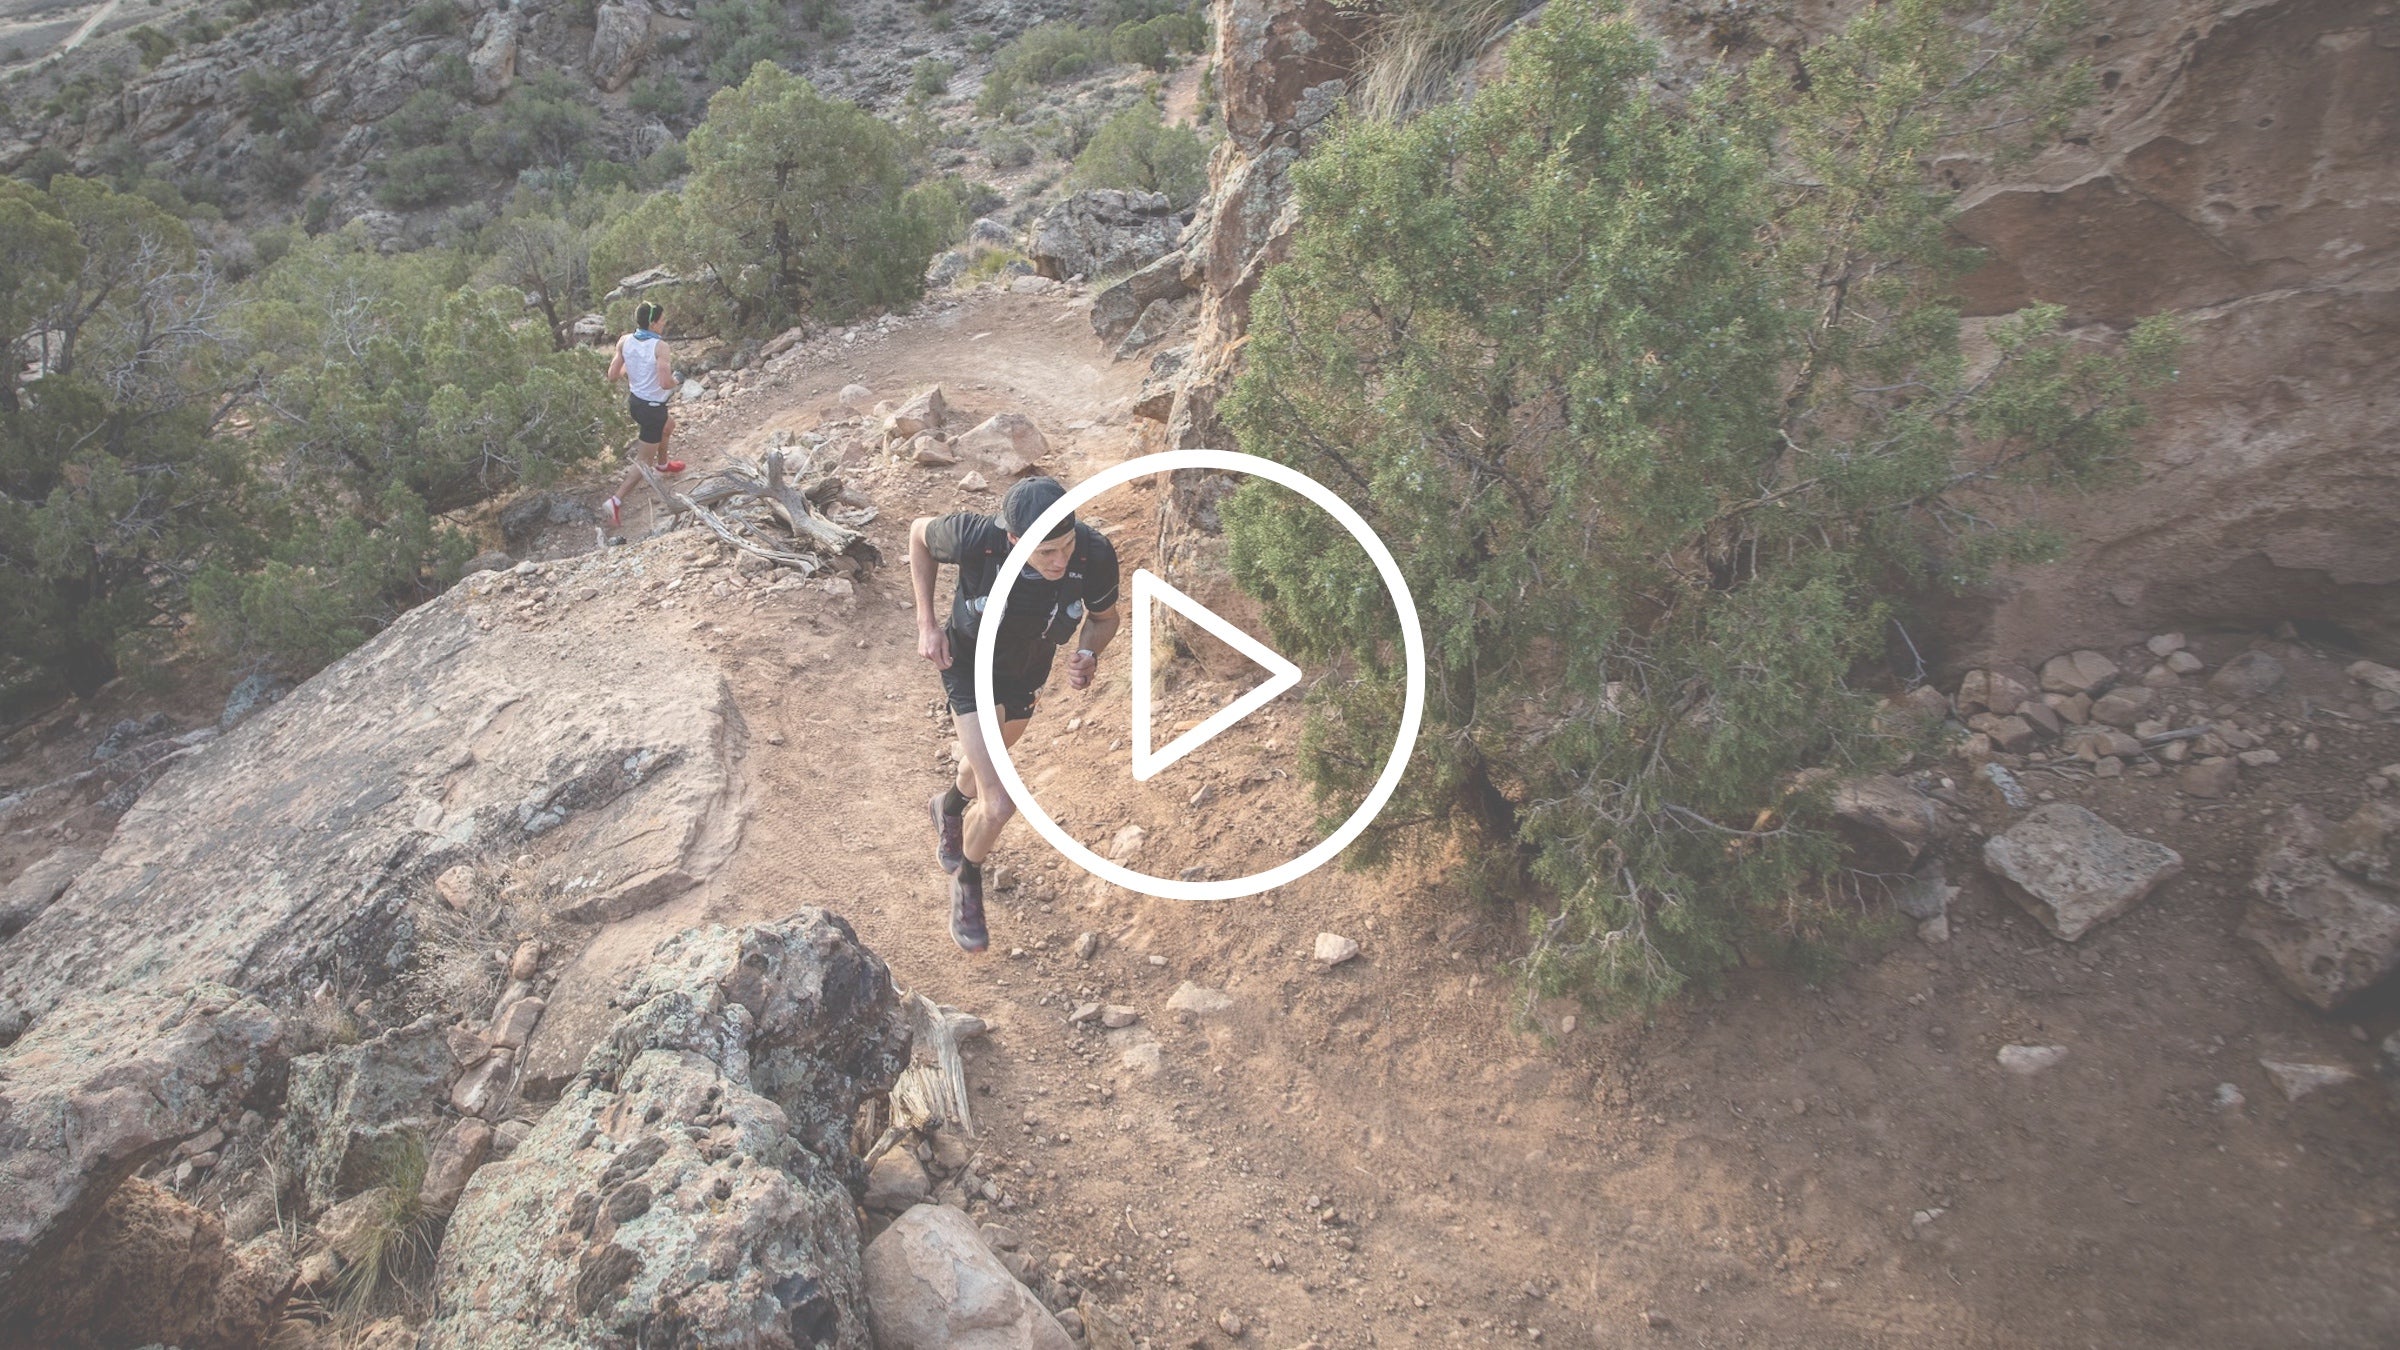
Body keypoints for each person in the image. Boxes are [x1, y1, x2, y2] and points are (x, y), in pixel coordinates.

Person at [911, 476, 1121, 953]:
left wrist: (1089, 653)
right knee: (1000, 800)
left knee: (983, 759)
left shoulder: (1094, 553)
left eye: (1065, 545)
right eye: (1046, 552)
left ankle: (945, 808)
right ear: (1013, 539)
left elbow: (1104, 619)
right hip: (967, 667)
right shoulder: (976, 538)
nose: (1060, 560)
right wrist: (926, 624)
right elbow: (919, 533)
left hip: (1026, 673)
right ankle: (967, 880)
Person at [602, 301, 686, 526]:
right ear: (653, 322)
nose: (664, 322)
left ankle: (663, 465)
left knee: (668, 426)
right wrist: (678, 378)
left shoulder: (624, 341)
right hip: (651, 410)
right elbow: (665, 382)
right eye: (662, 319)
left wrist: (631, 368)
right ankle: (615, 501)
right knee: (642, 461)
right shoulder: (660, 347)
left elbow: (612, 375)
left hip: (636, 403)